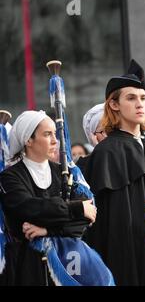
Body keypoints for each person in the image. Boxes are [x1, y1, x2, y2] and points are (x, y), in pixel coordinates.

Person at [82, 60, 145, 286]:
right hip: (131, 250)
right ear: (114, 104)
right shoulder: (108, 151)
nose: (140, 104)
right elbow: (121, 210)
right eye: (131, 98)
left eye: (143, 98)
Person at [0, 110, 97, 285]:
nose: (55, 140)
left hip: (66, 262)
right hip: (27, 265)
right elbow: (29, 209)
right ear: (28, 140)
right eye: (47, 134)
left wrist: (47, 231)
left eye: (55, 134)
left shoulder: (63, 172)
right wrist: (75, 208)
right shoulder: (10, 177)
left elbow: (84, 222)